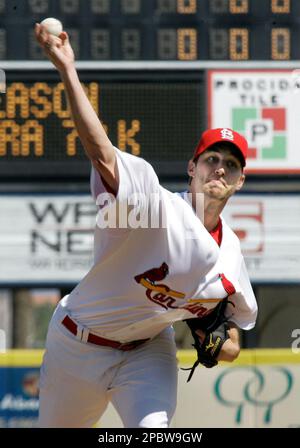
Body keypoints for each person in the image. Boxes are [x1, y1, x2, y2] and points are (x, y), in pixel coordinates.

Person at [35, 24, 257, 428]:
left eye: (232, 164)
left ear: (240, 180)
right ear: (192, 167)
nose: (220, 168)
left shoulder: (231, 256)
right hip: (77, 343)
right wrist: (67, 68)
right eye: (212, 158)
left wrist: (215, 342)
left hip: (147, 352)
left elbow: (232, 342)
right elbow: (102, 155)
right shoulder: (154, 209)